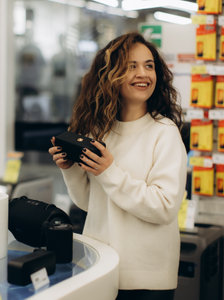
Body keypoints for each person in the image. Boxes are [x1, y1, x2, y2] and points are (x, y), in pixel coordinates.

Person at [48, 32, 187, 300]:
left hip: (147, 280)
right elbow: (92, 203)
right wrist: (72, 169)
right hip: (101, 268)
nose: (143, 73)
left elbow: (165, 207)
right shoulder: (101, 131)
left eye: (149, 65)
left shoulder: (164, 132)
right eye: (131, 66)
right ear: (109, 74)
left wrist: (109, 171)